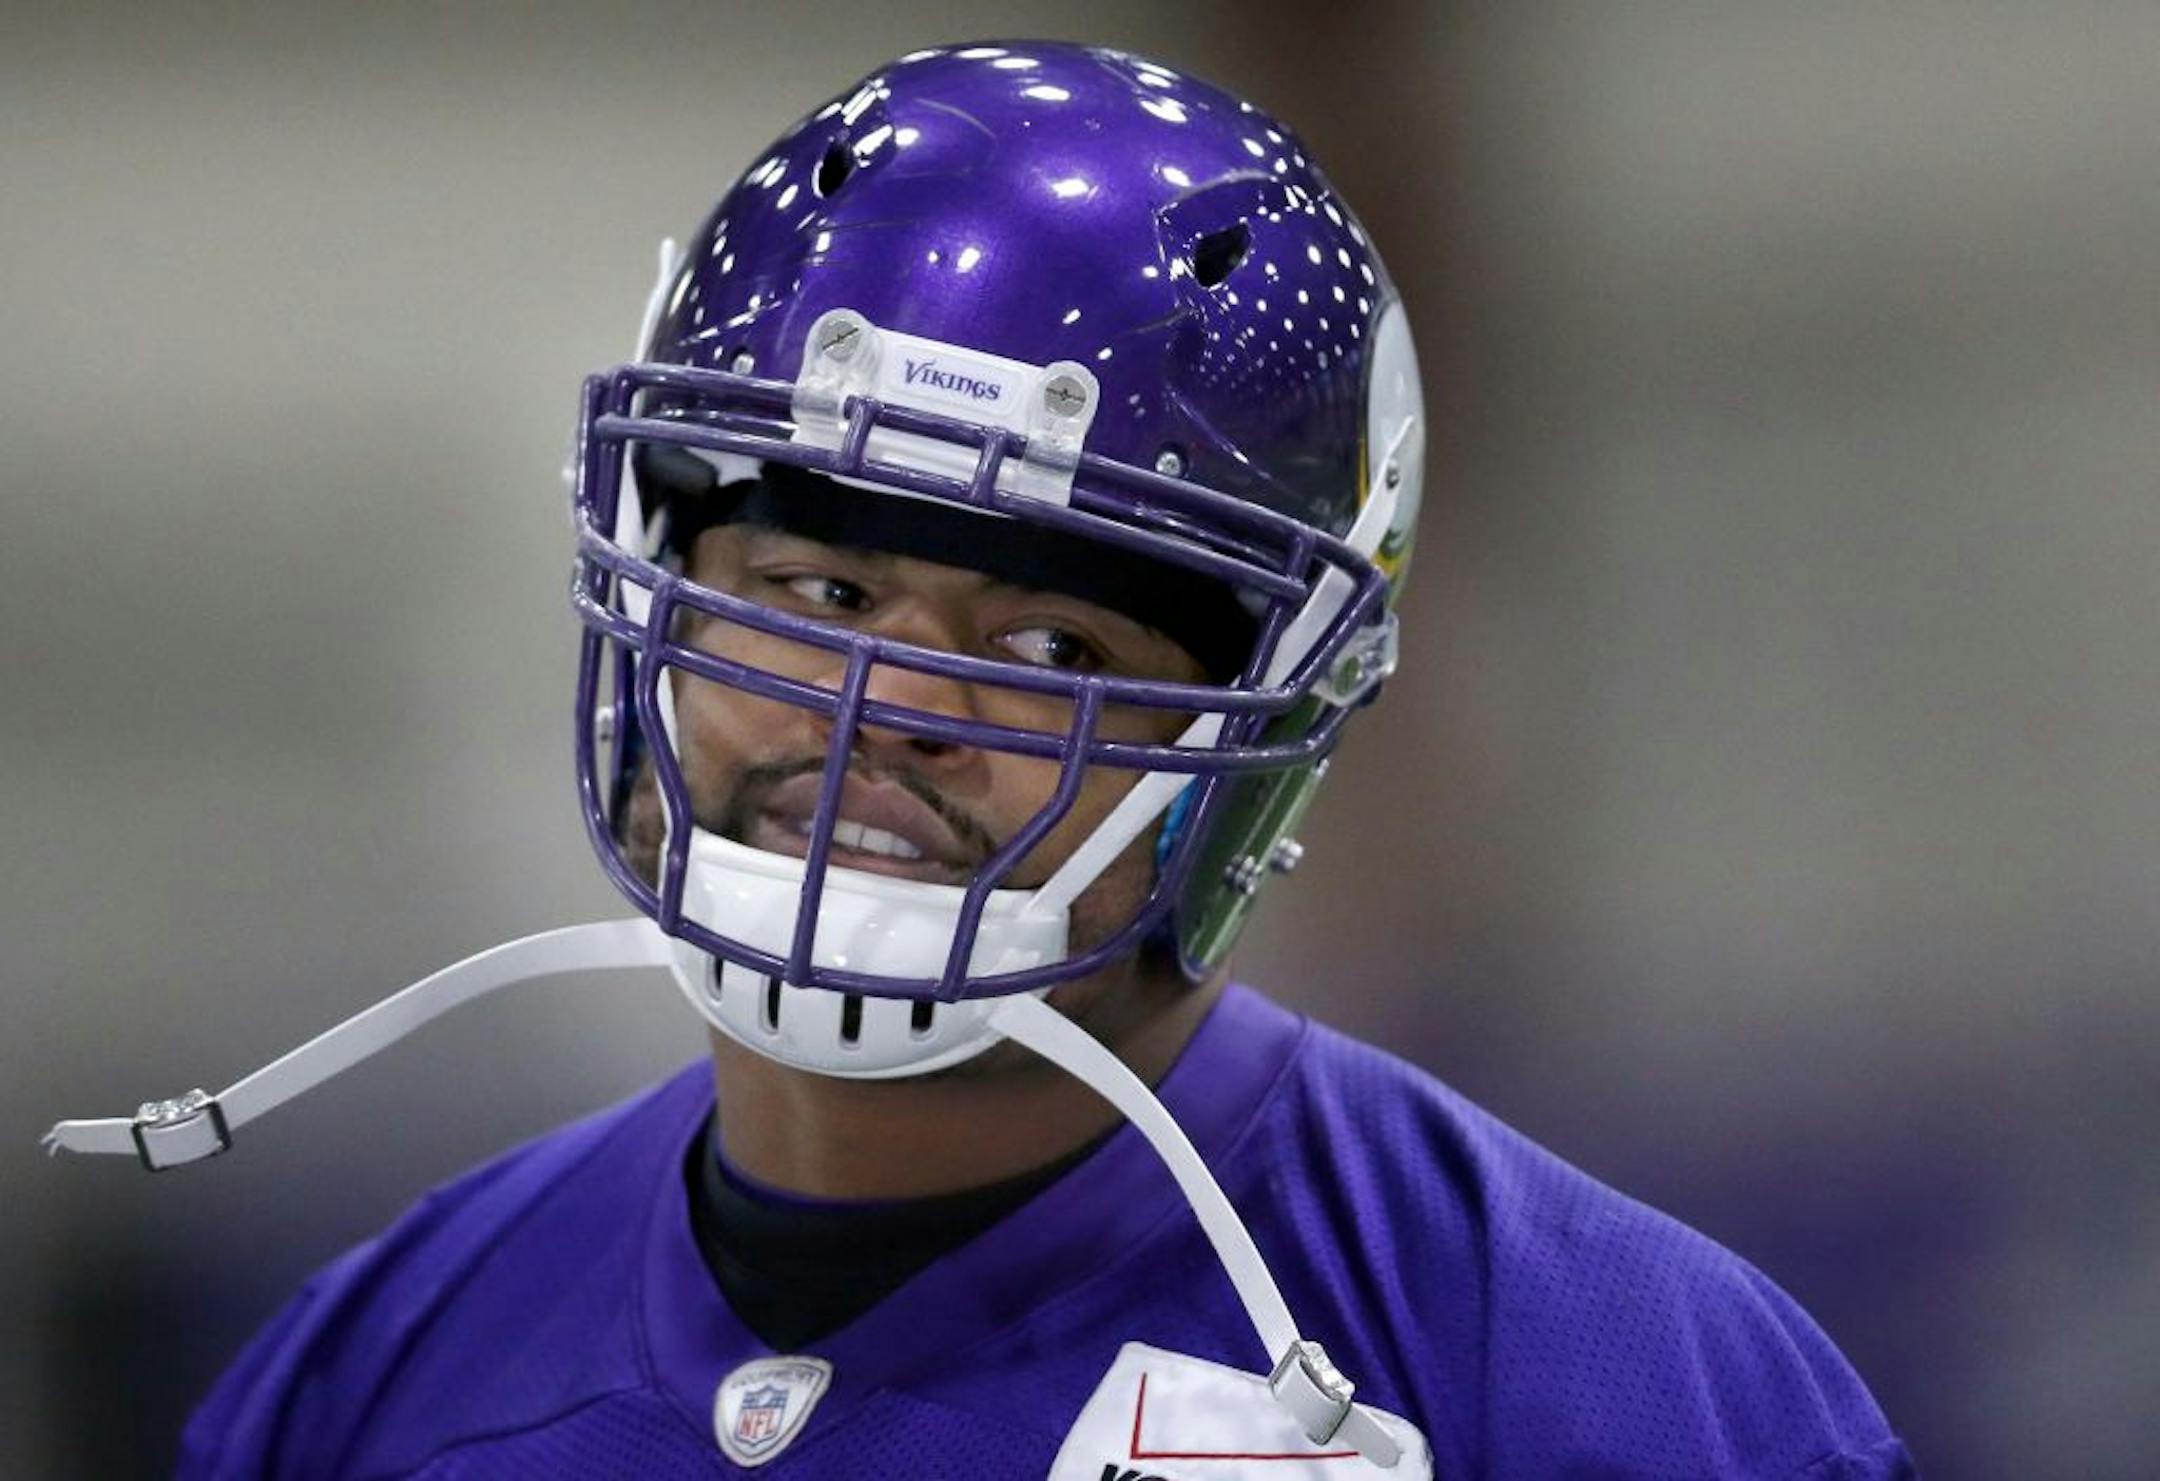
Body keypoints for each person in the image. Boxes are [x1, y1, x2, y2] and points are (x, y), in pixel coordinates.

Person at [49, 41, 1914, 1478]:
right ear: (660, 588)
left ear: (1255, 745)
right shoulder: (368, 1378)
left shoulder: (1600, 1384)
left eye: (1049, 649)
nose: (886, 705)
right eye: (818, 587)